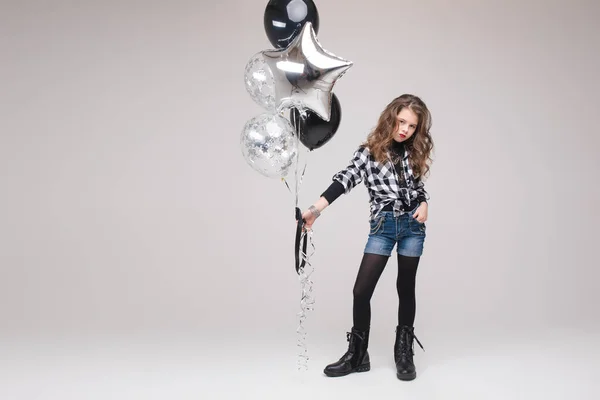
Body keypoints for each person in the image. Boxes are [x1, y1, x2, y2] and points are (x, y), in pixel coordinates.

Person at [300, 94, 434, 381]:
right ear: (391, 118)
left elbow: (417, 188)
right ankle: (358, 354)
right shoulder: (369, 152)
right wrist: (314, 210)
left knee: (405, 288)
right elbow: (344, 180)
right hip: (383, 227)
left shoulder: (414, 152)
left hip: (413, 227)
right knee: (361, 291)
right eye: (401, 122)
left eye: (411, 126)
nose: (405, 130)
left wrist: (424, 204)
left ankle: (404, 353)